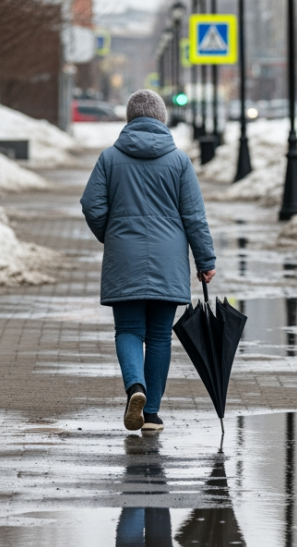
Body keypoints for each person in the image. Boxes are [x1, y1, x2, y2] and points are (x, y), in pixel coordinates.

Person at [81, 89, 217, 432]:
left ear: (129, 119)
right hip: (168, 262)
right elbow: (194, 217)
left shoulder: (109, 158)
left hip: (123, 258)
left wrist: (111, 235)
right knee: (158, 336)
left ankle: (135, 388)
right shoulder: (179, 161)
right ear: (161, 119)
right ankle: (152, 413)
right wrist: (205, 259)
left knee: (128, 329)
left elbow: (91, 205)